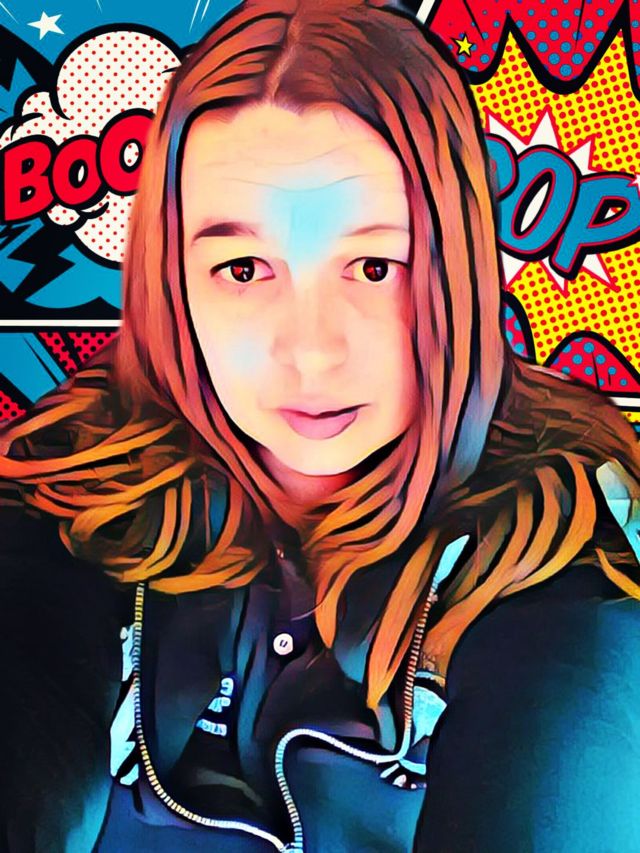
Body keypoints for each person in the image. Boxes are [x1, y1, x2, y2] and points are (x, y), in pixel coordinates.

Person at [2, 0, 640, 850]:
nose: (310, 350)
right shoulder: (66, 481)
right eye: (243, 268)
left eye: (374, 266)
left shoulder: (569, 534)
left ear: (454, 268)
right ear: (173, 284)